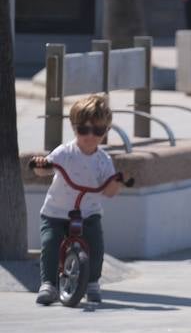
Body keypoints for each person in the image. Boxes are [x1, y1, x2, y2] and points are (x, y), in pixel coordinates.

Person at [30, 94, 125, 306]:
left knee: (97, 246)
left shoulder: (103, 160)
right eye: (84, 130)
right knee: (50, 242)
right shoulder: (66, 153)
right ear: (74, 128)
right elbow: (45, 170)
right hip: (55, 211)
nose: (90, 136)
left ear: (106, 132)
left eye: (97, 131)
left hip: (88, 212)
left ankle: (92, 282)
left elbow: (109, 191)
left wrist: (115, 183)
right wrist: (40, 164)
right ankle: (48, 284)